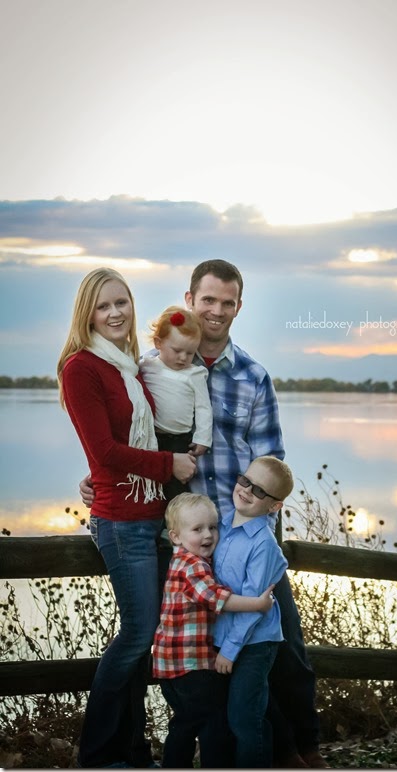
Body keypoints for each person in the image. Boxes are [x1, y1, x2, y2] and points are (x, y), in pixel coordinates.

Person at [80, 259, 327, 769]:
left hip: (241, 537)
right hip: (184, 540)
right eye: (207, 299)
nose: (216, 310)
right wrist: (96, 479)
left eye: (227, 302)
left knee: (283, 643)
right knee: (174, 645)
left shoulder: (252, 376)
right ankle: (163, 751)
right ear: (189, 300)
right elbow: (127, 438)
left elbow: (272, 464)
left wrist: (256, 544)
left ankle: (304, 750)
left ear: (239, 307)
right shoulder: (152, 368)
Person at [58, 267, 196, 769]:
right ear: (88, 314)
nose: (115, 313)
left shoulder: (131, 367)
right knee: (139, 632)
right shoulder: (82, 368)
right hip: (121, 522)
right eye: (104, 306)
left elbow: (131, 438)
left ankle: (133, 753)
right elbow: (105, 450)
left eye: (122, 302)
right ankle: (96, 754)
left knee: (145, 641)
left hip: (152, 515)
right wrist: (168, 465)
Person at [153, 491, 275, 768]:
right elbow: (215, 598)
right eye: (197, 529)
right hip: (189, 664)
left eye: (212, 526)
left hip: (171, 663)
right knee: (211, 722)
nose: (208, 535)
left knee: (187, 722)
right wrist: (257, 603)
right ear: (175, 537)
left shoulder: (184, 560)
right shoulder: (192, 565)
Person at [213, 456, 292, 768]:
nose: (246, 490)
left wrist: (230, 650)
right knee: (222, 716)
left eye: (259, 490)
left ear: (274, 506)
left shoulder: (264, 545)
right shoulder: (220, 526)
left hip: (255, 643)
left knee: (244, 717)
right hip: (222, 637)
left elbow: (253, 606)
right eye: (245, 481)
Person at [140, 305, 212, 501]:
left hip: (180, 440)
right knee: (149, 483)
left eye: (190, 353)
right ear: (158, 343)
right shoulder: (146, 365)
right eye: (177, 350)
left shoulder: (195, 374)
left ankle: (175, 518)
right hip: (151, 437)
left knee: (176, 489)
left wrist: (203, 438)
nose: (183, 358)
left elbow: (204, 408)